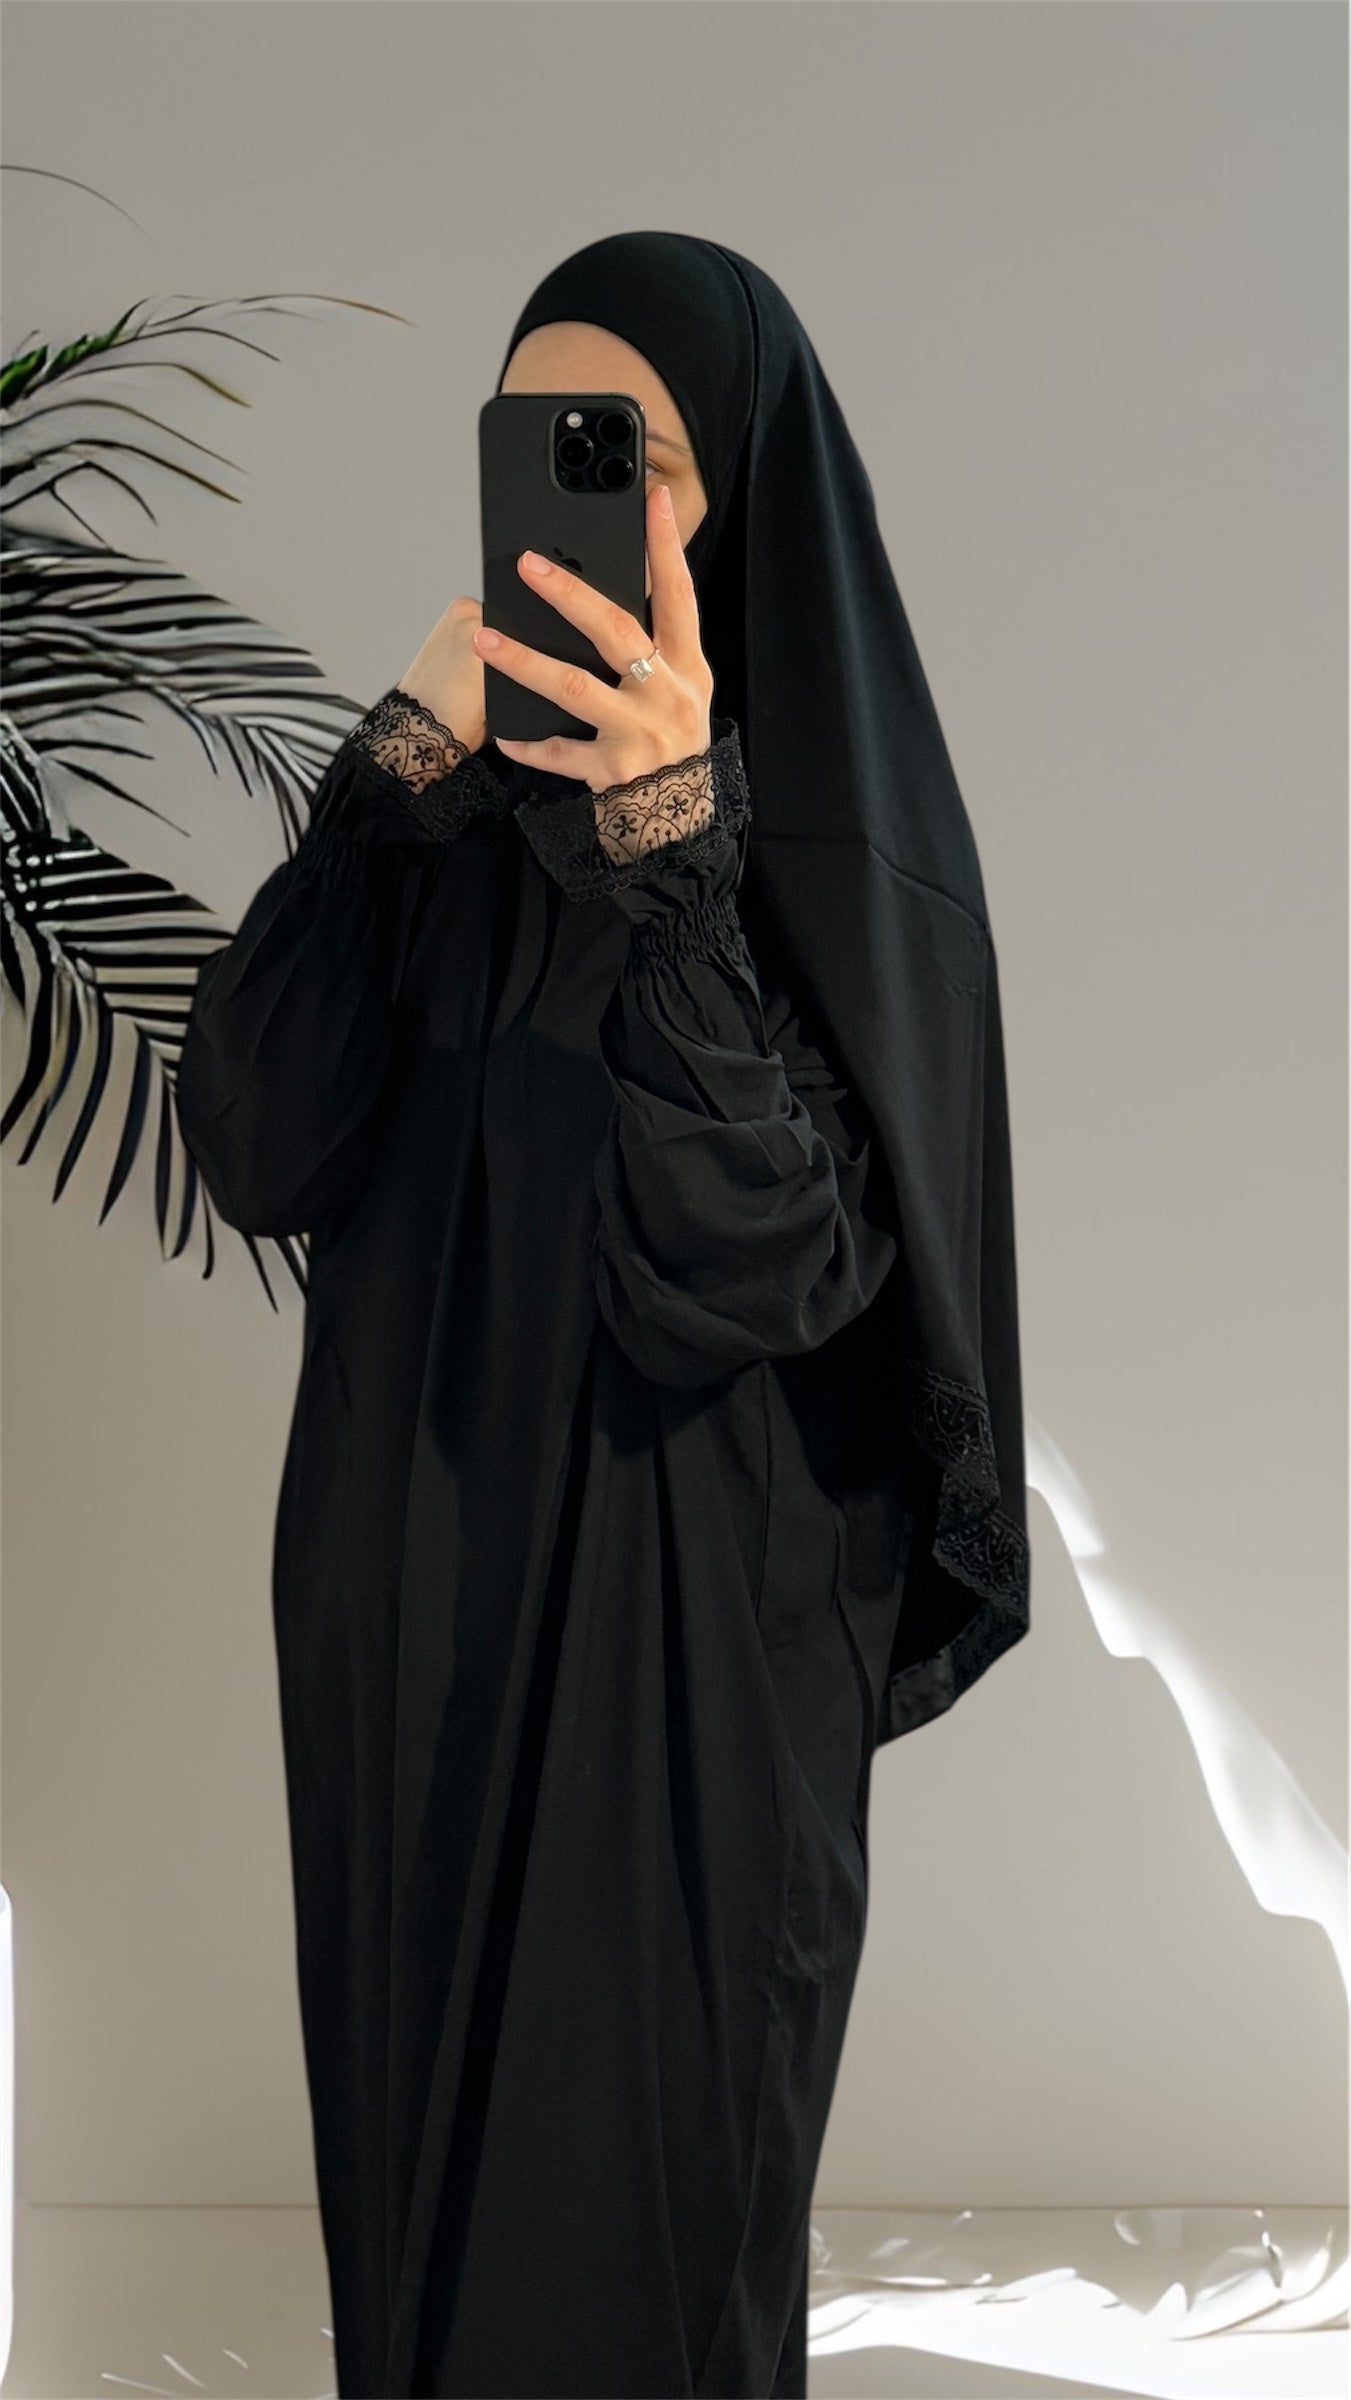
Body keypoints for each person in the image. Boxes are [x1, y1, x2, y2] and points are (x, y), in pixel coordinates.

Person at [175, 230, 1030, 2400]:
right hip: (412, 1610)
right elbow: (256, 1140)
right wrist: (389, 779)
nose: (575, 496)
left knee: (644, 2219)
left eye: (626, 452)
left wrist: (670, 845)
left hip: (686, 1653)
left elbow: (752, 1261)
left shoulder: (836, 855)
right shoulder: (433, 831)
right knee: (422, 2218)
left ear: (737, 488)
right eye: (531, 444)